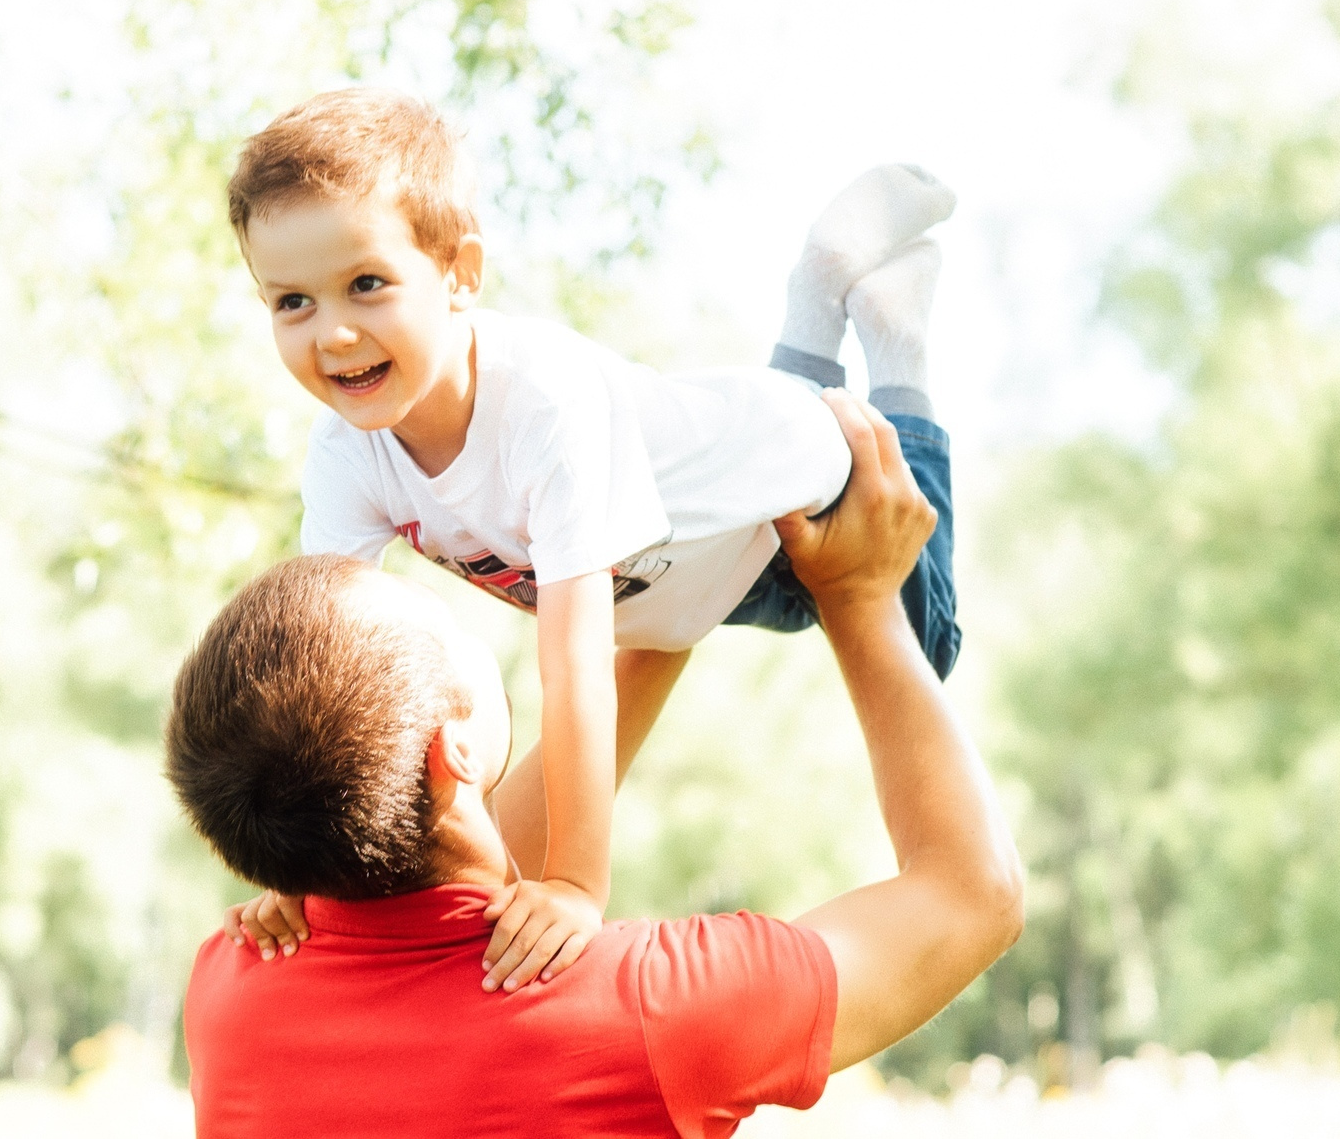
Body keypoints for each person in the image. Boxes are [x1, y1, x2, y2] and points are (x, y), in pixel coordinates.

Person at [223, 87, 960, 992]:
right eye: (290, 301)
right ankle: (813, 311)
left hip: (800, 493)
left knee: (929, 645)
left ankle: (886, 336)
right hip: (694, 545)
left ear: (459, 271)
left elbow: (574, 658)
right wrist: (298, 878)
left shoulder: (541, 402)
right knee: (755, 456)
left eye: (366, 284)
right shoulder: (347, 453)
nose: (332, 331)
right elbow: (322, 669)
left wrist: (573, 881)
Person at [165, 390, 1023, 1137]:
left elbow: (430, 853)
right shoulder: (647, 1007)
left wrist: (671, 598)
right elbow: (972, 894)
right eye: (446, 626)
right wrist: (861, 597)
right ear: (453, 748)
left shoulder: (233, 991)